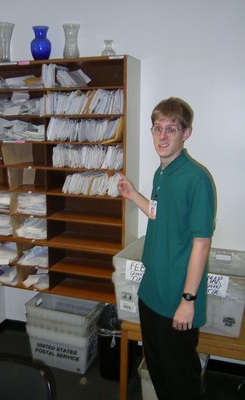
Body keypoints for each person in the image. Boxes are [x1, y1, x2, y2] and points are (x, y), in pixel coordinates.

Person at [117, 97, 216, 400]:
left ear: (186, 133)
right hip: (152, 293)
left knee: (181, 382)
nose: (162, 136)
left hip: (177, 299)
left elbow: (201, 243)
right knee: (158, 374)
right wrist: (134, 195)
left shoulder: (197, 179)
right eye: (157, 128)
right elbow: (160, 214)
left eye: (171, 129)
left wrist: (188, 300)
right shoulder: (163, 172)